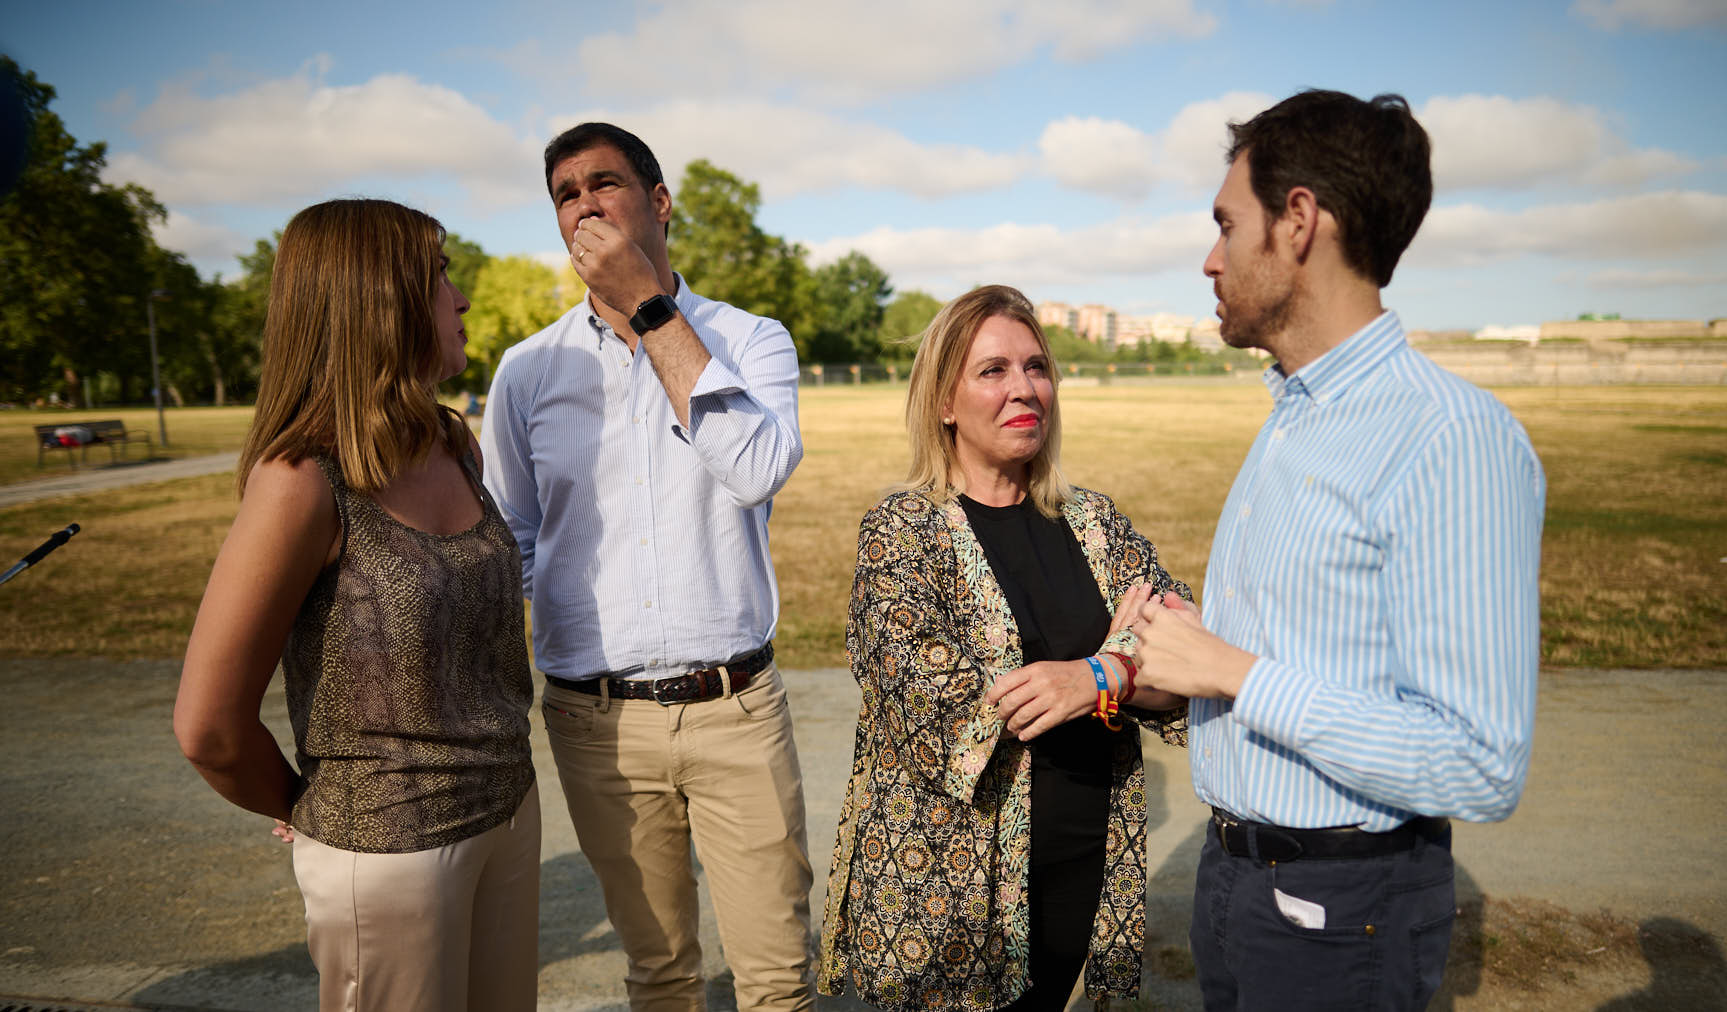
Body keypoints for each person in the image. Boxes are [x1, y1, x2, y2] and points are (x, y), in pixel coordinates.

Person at [1134, 90, 1546, 1011]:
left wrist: (1234, 670)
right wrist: (1192, 649)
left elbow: (1477, 760)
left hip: (1340, 908)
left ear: (1299, 220)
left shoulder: (1447, 438)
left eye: (1225, 224)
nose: (1210, 259)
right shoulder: (1292, 417)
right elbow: (1315, 645)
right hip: (1235, 879)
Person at [173, 198, 539, 1012]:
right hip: (388, 855)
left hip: (510, 815)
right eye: (441, 274)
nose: (463, 298)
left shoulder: (453, 443)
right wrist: (308, 806)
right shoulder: (300, 482)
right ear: (383, 301)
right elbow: (208, 727)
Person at [479, 122, 812, 1012]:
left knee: (778, 981)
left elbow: (753, 471)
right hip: (599, 725)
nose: (583, 204)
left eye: (604, 183)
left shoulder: (753, 339)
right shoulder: (525, 370)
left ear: (659, 204)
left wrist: (651, 310)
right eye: (564, 194)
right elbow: (506, 539)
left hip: (736, 708)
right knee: (660, 977)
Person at [817, 284, 1190, 1012]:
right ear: (944, 401)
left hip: (1080, 862)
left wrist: (1099, 674)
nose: (1024, 389)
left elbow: (1187, 652)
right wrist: (1123, 653)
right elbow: (947, 710)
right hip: (946, 900)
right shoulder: (903, 532)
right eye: (993, 370)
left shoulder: (1092, 522)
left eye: (1036, 367)